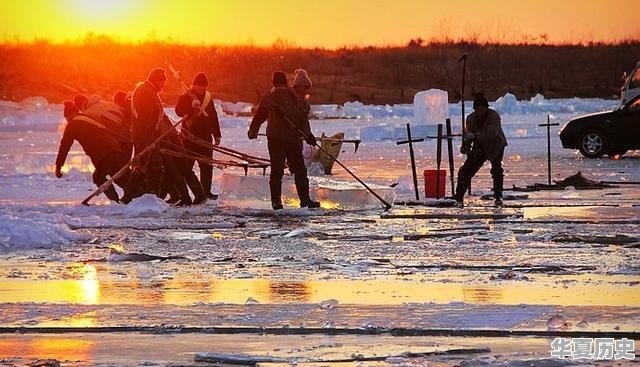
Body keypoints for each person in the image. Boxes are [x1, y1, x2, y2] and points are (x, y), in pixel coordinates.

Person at [247, 71, 320, 210]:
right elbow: (262, 111)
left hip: (292, 139)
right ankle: (277, 202)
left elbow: (303, 121)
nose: (305, 91)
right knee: (280, 169)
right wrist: (253, 130)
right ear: (295, 85)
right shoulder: (274, 96)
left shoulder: (300, 102)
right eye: (303, 88)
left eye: (307, 89)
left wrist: (308, 136)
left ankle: (304, 200)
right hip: (276, 139)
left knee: (297, 170)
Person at [55, 101, 128, 202]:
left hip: (104, 152)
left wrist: (58, 166)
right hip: (113, 148)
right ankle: (121, 199)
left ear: (68, 116)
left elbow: (65, 146)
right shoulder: (88, 118)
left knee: (117, 177)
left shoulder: (73, 123)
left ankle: (133, 197)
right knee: (104, 176)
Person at [120, 68, 167, 203]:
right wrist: (149, 142)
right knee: (153, 168)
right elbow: (145, 120)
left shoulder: (148, 91)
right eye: (162, 81)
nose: (163, 85)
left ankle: (131, 197)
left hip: (149, 138)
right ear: (157, 80)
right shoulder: (146, 93)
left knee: (144, 167)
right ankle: (151, 199)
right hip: (147, 138)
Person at [454, 93, 508, 207]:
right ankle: (458, 197)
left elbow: (491, 134)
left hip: (495, 145)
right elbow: (469, 136)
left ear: (486, 108)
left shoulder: (494, 116)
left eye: (482, 108)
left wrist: (473, 136)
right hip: (480, 147)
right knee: (465, 171)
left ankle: (498, 196)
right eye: (477, 109)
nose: (480, 111)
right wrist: (466, 146)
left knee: (496, 170)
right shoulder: (470, 119)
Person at [175, 72, 222, 200]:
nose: (201, 89)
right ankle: (183, 193)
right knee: (187, 167)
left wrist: (217, 134)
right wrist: (191, 106)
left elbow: (213, 116)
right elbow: (178, 111)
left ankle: (206, 191)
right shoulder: (185, 96)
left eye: (203, 86)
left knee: (206, 165)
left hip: (205, 136)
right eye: (198, 86)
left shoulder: (208, 97)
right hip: (189, 137)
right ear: (193, 85)